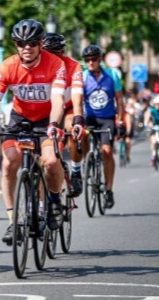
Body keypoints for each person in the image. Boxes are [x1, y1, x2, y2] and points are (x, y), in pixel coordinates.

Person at [0, 19, 66, 244]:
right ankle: (13, 221)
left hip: (46, 118)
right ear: (15, 45)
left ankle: (54, 200)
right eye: (21, 43)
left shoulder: (55, 64)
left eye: (31, 42)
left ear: (40, 43)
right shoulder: (7, 67)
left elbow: (58, 100)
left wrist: (53, 124)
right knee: (9, 162)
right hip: (19, 120)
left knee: (50, 161)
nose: (26, 47)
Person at [42, 33, 85, 196]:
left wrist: (78, 120)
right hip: (45, 111)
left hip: (67, 108)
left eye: (57, 52)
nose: (53, 56)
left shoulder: (73, 67)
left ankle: (76, 172)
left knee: (70, 126)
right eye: (49, 53)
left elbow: (77, 98)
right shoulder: (40, 65)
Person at [81, 44, 124, 208]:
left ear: (100, 59)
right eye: (87, 60)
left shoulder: (112, 75)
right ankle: (87, 159)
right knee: (82, 135)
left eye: (93, 59)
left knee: (106, 152)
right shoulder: (83, 77)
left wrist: (120, 121)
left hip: (107, 118)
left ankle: (108, 189)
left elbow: (119, 99)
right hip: (89, 117)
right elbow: (78, 99)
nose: (90, 62)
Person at [144, 95, 159, 165]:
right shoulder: (152, 109)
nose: (157, 106)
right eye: (156, 104)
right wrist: (146, 124)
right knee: (153, 142)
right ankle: (153, 156)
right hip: (154, 126)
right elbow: (147, 116)